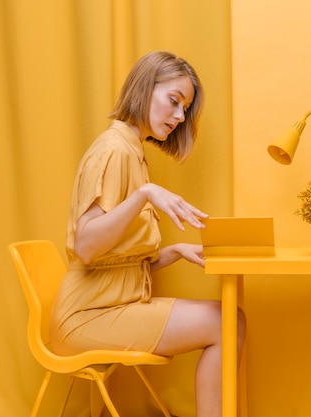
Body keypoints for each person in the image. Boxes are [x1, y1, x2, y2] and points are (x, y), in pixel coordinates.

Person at [49, 51, 246, 417]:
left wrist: (175, 251)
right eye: (174, 101)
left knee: (230, 319)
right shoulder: (115, 151)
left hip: (109, 306)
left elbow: (115, 256)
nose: (179, 116)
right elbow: (87, 246)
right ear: (144, 88)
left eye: (185, 108)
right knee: (226, 323)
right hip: (87, 316)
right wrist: (144, 195)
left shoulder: (132, 151)